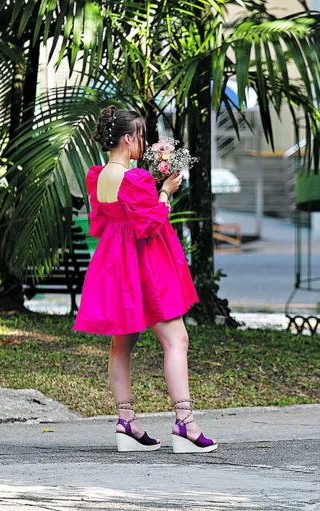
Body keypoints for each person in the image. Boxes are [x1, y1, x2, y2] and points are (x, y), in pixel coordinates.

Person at [73, 106, 217, 454]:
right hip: (145, 264)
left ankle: (127, 422)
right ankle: (185, 423)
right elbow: (151, 222)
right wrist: (166, 190)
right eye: (139, 136)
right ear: (127, 138)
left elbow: (102, 223)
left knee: (121, 345)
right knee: (176, 339)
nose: (144, 142)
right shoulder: (134, 178)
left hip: (115, 265)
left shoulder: (98, 176)